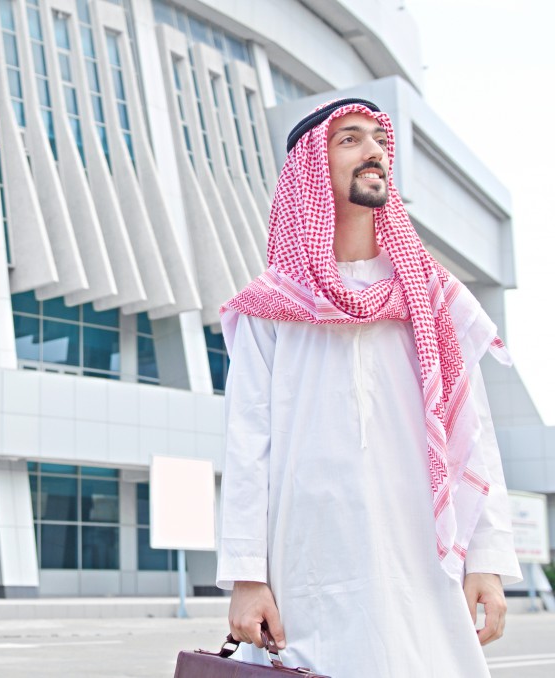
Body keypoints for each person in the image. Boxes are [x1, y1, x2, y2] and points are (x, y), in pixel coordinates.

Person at [215, 99, 522, 677]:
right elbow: (246, 448)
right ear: (310, 170)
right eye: (350, 139)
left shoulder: (430, 298)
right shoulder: (269, 307)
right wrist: (247, 577)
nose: (375, 150)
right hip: (306, 567)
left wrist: (485, 557)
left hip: (423, 567)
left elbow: (473, 435)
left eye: (379, 138)